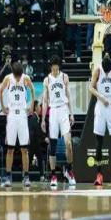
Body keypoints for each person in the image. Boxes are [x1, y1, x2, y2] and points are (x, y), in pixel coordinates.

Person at [41, 56, 76, 188]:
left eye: (57, 68)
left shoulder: (64, 77)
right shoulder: (47, 80)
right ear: (51, 67)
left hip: (63, 110)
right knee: (53, 146)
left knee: (68, 143)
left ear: (59, 67)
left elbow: (69, 96)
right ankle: (53, 175)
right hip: (53, 111)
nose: (55, 70)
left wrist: (71, 113)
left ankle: (69, 170)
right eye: (53, 68)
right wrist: (43, 119)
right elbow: (45, 101)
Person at [0, 62, 35, 187]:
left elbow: (32, 89)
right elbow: (0, 91)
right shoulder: (8, 78)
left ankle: (26, 176)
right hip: (12, 115)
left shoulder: (26, 78)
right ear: (13, 73)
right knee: (10, 149)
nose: (18, 78)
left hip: (22, 115)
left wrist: (32, 105)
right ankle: (8, 176)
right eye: (17, 76)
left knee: (24, 149)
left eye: (19, 76)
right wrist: (3, 107)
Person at [89, 55, 111, 187]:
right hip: (101, 107)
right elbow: (91, 87)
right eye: (106, 71)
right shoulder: (97, 70)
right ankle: (99, 174)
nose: (107, 73)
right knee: (99, 142)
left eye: (108, 71)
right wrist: (100, 97)